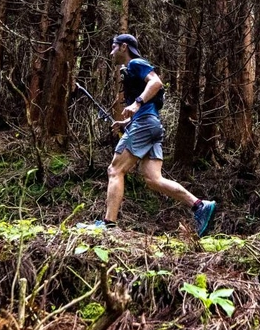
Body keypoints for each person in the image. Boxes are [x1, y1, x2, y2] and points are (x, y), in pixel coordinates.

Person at [82, 34, 217, 236]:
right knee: (153, 179)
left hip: (145, 125)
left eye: (113, 47)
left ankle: (108, 225)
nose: (111, 52)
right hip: (150, 124)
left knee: (114, 170)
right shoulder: (130, 71)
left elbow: (156, 83)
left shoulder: (136, 63)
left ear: (124, 47)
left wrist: (136, 103)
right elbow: (151, 106)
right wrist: (127, 121)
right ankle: (199, 205)